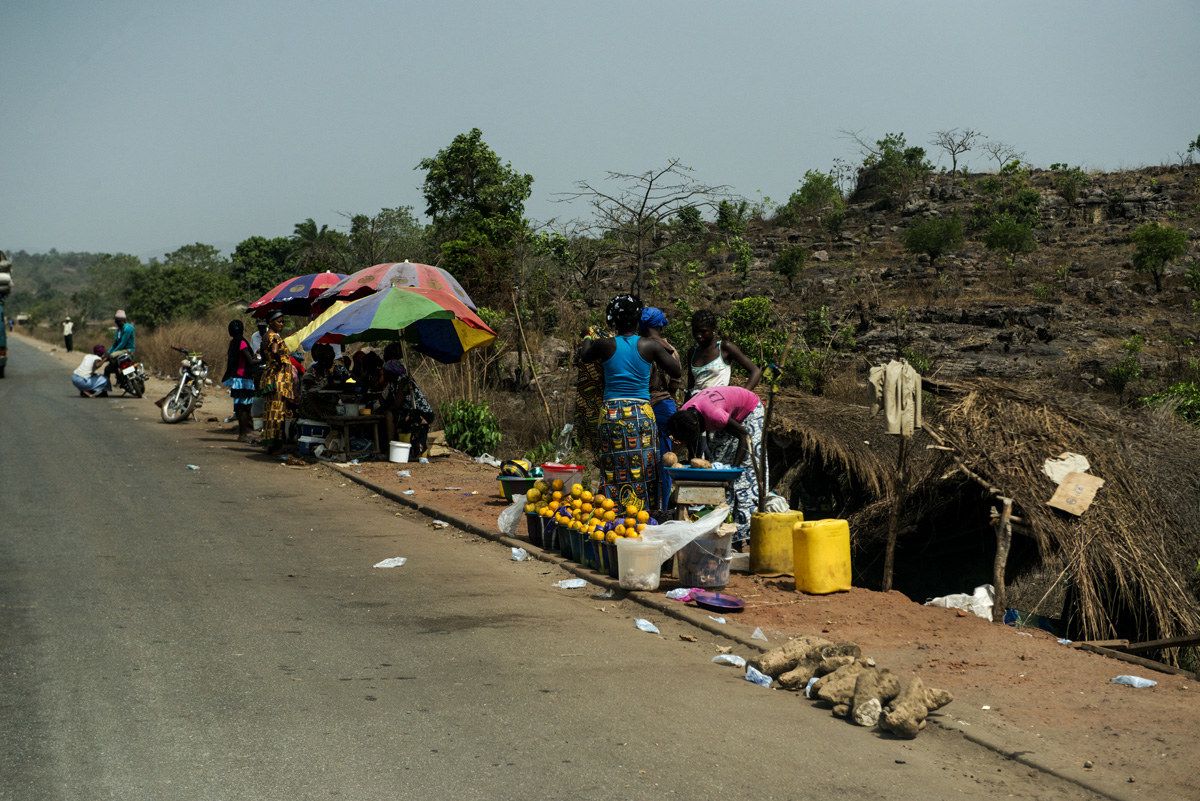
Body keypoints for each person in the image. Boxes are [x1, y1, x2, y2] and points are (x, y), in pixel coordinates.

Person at [579, 294, 681, 511]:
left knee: (613, 468)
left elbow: (585, 355)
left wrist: (587, 335)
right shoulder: (649, 345)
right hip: (641, 414)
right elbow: (676, 370)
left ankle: (613, 515)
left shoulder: (604, 344)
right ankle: (644, 515)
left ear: (613, 321)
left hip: (612, 414)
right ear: (638, 320)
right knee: (644, 468)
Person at [667, 385, 767, 550]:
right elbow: (692, 444)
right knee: (718, 463)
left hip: (750, 410)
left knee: (745, 472)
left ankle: (745, 536)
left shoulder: (715, 415)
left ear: (696, 426)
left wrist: (733, 471)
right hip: (726, 413)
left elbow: (744, 436)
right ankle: (725, 529)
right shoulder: (684, 416)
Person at [639, 307, 682, 504]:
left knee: (640, 458)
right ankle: (662, 507)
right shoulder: (671, 350)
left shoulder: (640, 348)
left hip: (643, 407)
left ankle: (643, 506)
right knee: (665, 460)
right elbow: (675, 384)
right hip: (665, 406)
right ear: (660, 325)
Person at [686, 309, 762, 395]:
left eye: (703, 331)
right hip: (696, 400)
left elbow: (756, 371)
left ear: (713, 329)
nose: (698, 335)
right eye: (695, 331)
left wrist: (742, 395)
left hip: (719, 400)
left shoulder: (724, 348)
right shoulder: (693, 352)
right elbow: (690, 385)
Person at [379, 348, 435, 460]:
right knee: (386, 414)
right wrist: (380, 398)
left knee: (389, 415)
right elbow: (389, 402)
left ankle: (390, 450)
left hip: (422, 413)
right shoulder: (393, 383)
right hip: (409, 411)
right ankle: (388, 448)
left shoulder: (404, 381)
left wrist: (387, 408)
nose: (384, 374)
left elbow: (397, 404)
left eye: (385, 372)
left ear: (392, 373)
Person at [259, 311, 295, 454]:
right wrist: (280, 363)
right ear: (271, 322)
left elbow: (264, 355)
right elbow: (274, 351)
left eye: (283, 321)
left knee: (270, 411)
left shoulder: (265, 336)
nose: (282, 324)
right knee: (278, 412)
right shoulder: (274, 337)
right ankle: (277, 445)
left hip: (270, 377)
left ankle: (270, 443)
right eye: (279, 321)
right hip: (278, 378)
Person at [221, 320, 261, 441]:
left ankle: (242, 433)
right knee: (245, 408)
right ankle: (242, 435)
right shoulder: (242, 343)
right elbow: (250, 361)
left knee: (240, 407)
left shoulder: (232, 342)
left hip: (236, 378)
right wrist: (264, 359)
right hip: (244, 379)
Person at [103, 309, 136, 383]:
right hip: (121, 350)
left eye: (119, 321)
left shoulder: (127, 328)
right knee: (108, 362)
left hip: (128, 349)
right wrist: (108, 352)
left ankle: (117, 373)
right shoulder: (119, 330)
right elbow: (115, 343)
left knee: (112, 356)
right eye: (117, 321)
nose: (118, 323)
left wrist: (112, 353)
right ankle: (117, 375)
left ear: (123, 320)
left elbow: (123, 343)